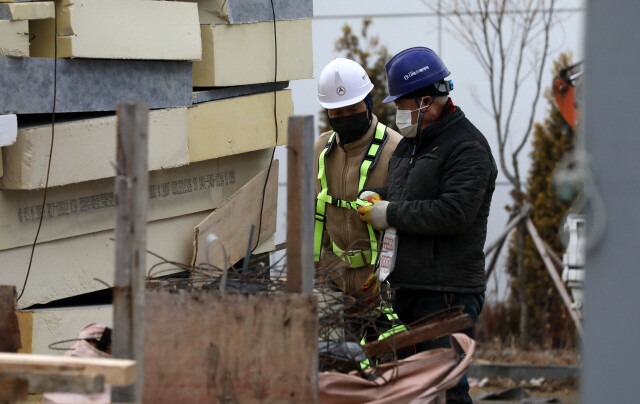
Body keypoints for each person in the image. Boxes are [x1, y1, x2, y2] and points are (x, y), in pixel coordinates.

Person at [358, 47, 498, 403]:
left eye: (402, 106)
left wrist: (389, 213)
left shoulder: (467, 147)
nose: (399, 114)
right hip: (410, 286)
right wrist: (378, 196)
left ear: (426, 101)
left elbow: (454, 212)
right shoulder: (410, 145)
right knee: (411, 388)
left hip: (447, 291)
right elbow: (407, 195)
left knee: (446, 386)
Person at [313, 58, 402, 325]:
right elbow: (312, 217)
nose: (344, 119)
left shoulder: (396, 149)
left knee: (385, 362)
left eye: (351, 109)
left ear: (368, 103)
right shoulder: (321, 149)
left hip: (380, 287)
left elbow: (405, 220)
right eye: (336, 113)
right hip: (332, 284)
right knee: (337, 362)